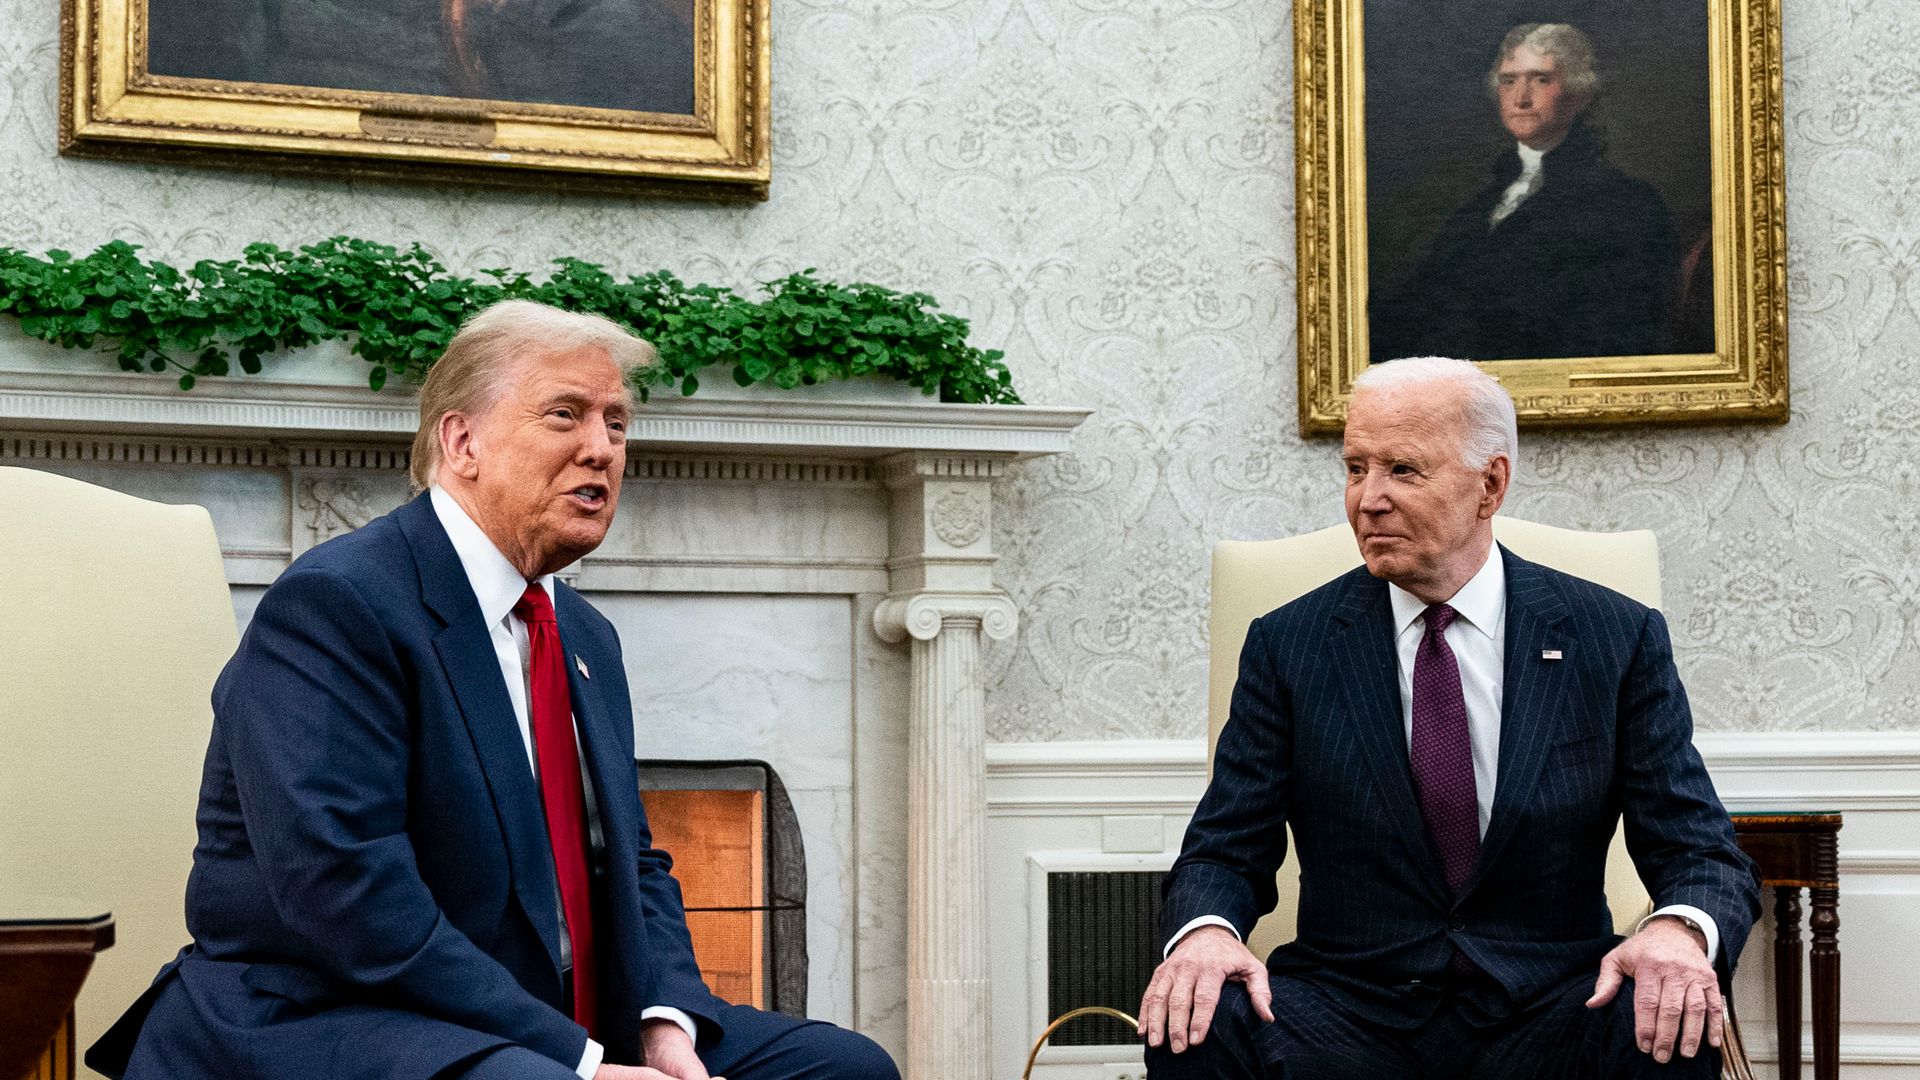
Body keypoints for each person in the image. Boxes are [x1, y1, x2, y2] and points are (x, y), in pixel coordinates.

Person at [86, 301, 899, 1080]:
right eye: (565, 415)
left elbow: (633, 862)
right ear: (462, 441)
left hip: (536, 1016)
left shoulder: (581, 634)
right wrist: (578, 1061)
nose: (603, 448)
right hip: (335, 1013)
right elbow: (344, 892)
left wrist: (664, 1022)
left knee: (846, 1068)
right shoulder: (339, 604)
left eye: (616, 422)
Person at [1139, 356, 1759, 1078]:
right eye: (1354, 468)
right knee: (1198, 1015)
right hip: (1347, 1009)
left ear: (1489, 484)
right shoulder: (1290, 645)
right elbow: (1223, 849)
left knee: (1664, 1009)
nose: (1368, 499)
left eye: (1402, 469)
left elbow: (1700, 849)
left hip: (1550, 1006)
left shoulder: (1613, 637)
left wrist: (1679, 932)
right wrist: (1205, 935)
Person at [1369, 24, 1679, 362]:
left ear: (1578, 94)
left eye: (1541, 79)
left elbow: (1613, 333)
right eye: (1509, 80)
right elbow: (1422, 301)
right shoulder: (1484, 203)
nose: (1521, 98)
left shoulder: (1627, 204)